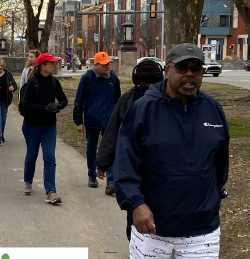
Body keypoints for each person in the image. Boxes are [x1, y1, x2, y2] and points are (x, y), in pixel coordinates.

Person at [113, 43, 230, 259]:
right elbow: (125, 163)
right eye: (182, 69)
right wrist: (136, 203)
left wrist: (213, 197)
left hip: (201, 226)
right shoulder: (144, 109)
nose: (189, 75)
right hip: (154, 227)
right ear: (167, 71)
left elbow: (220, 164)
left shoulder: (213, 110)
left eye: (196, 69)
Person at [96, 59, 164, 191]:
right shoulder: (127, 99)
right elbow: (113, 130)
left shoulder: (169, 100)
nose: (149, 88)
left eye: (153, 83)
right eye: (146, 83)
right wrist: (103, 163)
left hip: (162, 167)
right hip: (134, 164)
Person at [21, 53, 68, 204]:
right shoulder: (32, 83)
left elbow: (63, 99)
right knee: (32, 155)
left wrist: (58, 105)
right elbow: (26, 104)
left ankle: (51, 191)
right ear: (43, 66)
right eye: (52, 64)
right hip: (32, 126)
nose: (55, 66)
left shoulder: (54, 82)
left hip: (49, 126)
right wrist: (45, 108)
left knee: (50, 157)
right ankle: (28, 181)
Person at [72, 51, 121, 194]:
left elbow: (118, 100)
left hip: (110, 121)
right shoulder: (87, 78)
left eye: (109, 64)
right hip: (92, 120)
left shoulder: (113, 78)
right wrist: (78, 121)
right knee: (91, 149)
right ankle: (92, 175)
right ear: (96, 65)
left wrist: (119, 118)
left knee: (111, 150)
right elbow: (79, 100)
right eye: (104, 65)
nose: (107, 67)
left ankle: (111, 181)